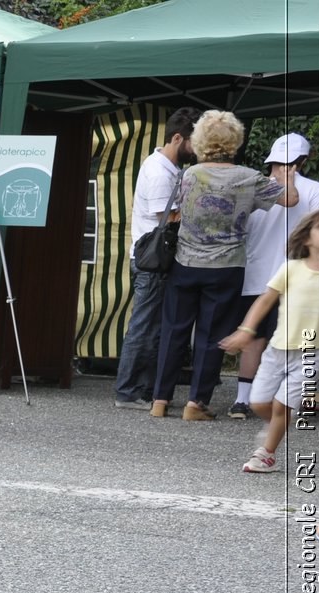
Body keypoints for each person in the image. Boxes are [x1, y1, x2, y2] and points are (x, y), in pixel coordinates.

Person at [150, 111, 289, 420]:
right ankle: (196, 404)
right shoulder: (249, 178)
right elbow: (290, 199)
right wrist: (282, 174)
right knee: (212, 335)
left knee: (174, 330)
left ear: (199, 140)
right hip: (226, 267)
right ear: (236, 141)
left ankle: (160, 399)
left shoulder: (190, 175)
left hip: (185, 262)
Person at [226, 133, 319, 419]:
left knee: (254, 338)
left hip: (256, 273)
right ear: (303, 161)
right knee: (305, 339)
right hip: (300, 277)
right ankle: (302, 400)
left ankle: (242, 401)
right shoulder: (315, 189)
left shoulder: (252, 186)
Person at [219, 210, 319, 473]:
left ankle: (265, 453)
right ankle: (278, 425)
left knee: (281, 405)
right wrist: (245, 330)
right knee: (259, 402)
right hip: (277, 349)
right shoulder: (291, 268)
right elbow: (264, 300)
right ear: (307, 238)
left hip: (313, 353)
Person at [113, 106, 200, 410]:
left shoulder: (164, 166)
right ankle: (129, 391)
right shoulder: (160, 172)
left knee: (151, 325)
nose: (196, 150)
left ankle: (143, 389)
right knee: (145, 326)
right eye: (193, 143)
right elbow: (170, 216)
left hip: (153, 259)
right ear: (178, 138)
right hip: (153, 261)